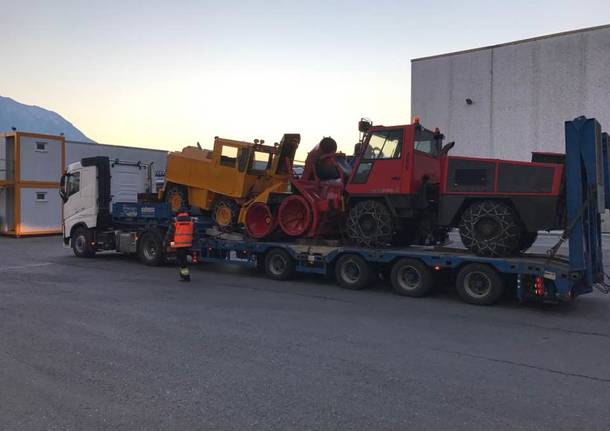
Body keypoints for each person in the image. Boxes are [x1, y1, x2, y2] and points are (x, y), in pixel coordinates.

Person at [168, 209, 195, 282]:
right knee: (184, 260)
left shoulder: (175, 221)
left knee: (182, 262)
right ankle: (184, 275)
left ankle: (185, 277)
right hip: (188, 244)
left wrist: (169, 244)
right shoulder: (191, 220)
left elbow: (170, 234)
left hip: (179, 245)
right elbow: (194, 232)